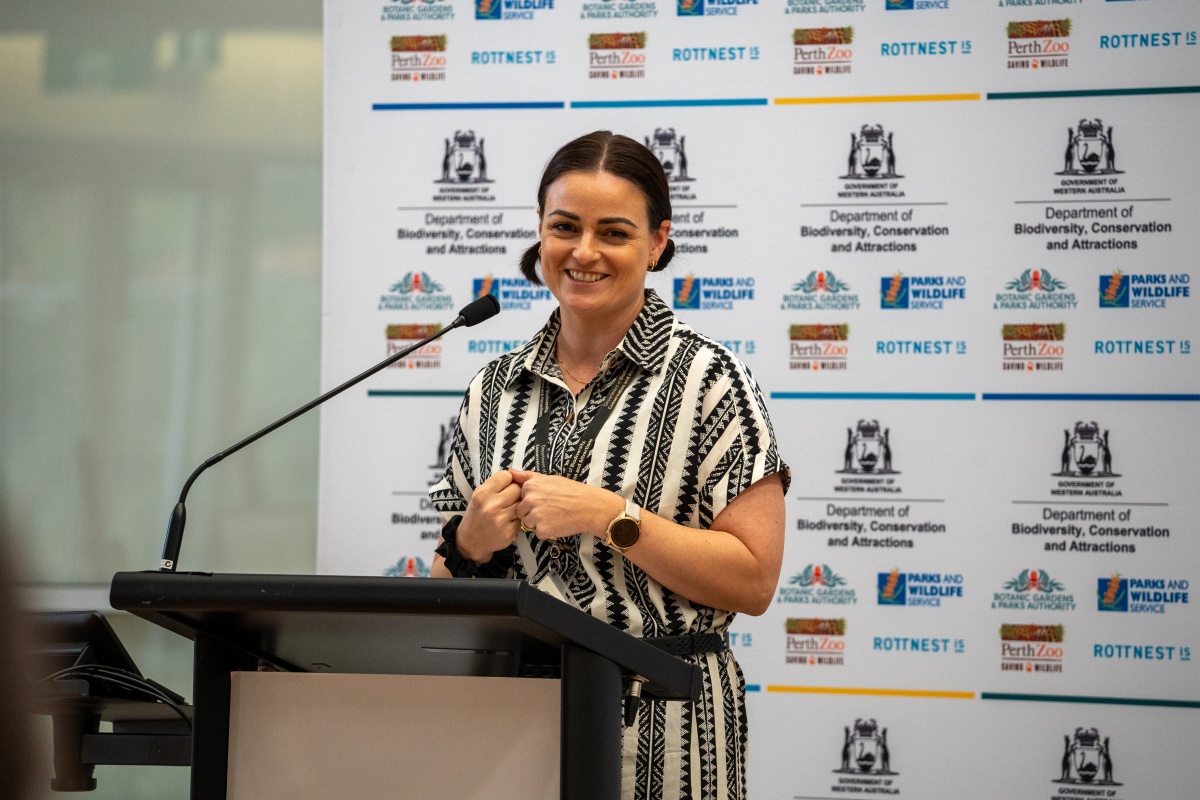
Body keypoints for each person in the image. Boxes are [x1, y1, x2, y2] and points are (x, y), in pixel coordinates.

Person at [429, 130, 788, 800]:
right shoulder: (493, 388)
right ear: (540, 234)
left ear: (656, 243)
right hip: (511, 726)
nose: (584, 252)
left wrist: (611, 517)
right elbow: (445, 582)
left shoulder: (711, 380)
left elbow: (755, 580)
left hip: (666, 733)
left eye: (614, 233)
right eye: (564, 227)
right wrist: (471, 542)